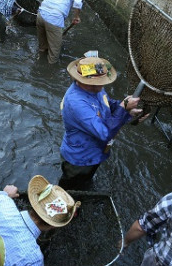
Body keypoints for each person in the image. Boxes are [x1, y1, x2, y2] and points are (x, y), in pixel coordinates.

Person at [59, 54, 144, 189]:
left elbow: (108, 104)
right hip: (80, 157)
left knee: (85, 181)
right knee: (70, 189)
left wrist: (127, 112)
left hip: (96, 151)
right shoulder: (76, 102)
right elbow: (104, 133)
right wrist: (123, 108)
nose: (103, 84)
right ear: (85, 82)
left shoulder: (97, 89)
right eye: (100, 82)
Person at [36, 0, 86, 64]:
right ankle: (48, 72)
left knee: (42, 47)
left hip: (40, 14)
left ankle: (39, 61)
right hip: (54, 18)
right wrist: (76, 17)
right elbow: (77, 3)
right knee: (54, 54)